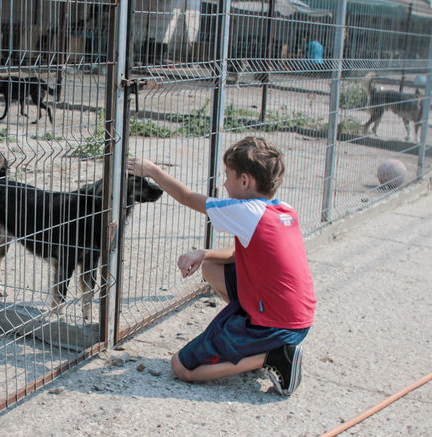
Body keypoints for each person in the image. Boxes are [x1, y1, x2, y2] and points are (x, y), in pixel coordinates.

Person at [127, 137, 316, 396]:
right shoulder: (283, 210)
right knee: (211, 267)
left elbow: (186, 197)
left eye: (228, 175)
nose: (224, 182)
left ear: (245, 181)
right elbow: (243, 254)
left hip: (277, 326)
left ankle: (273, 356)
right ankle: (254, 344)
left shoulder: (247, 211)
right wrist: (204, 253)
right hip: (296, 319)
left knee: (182, 367)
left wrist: (151, 170)